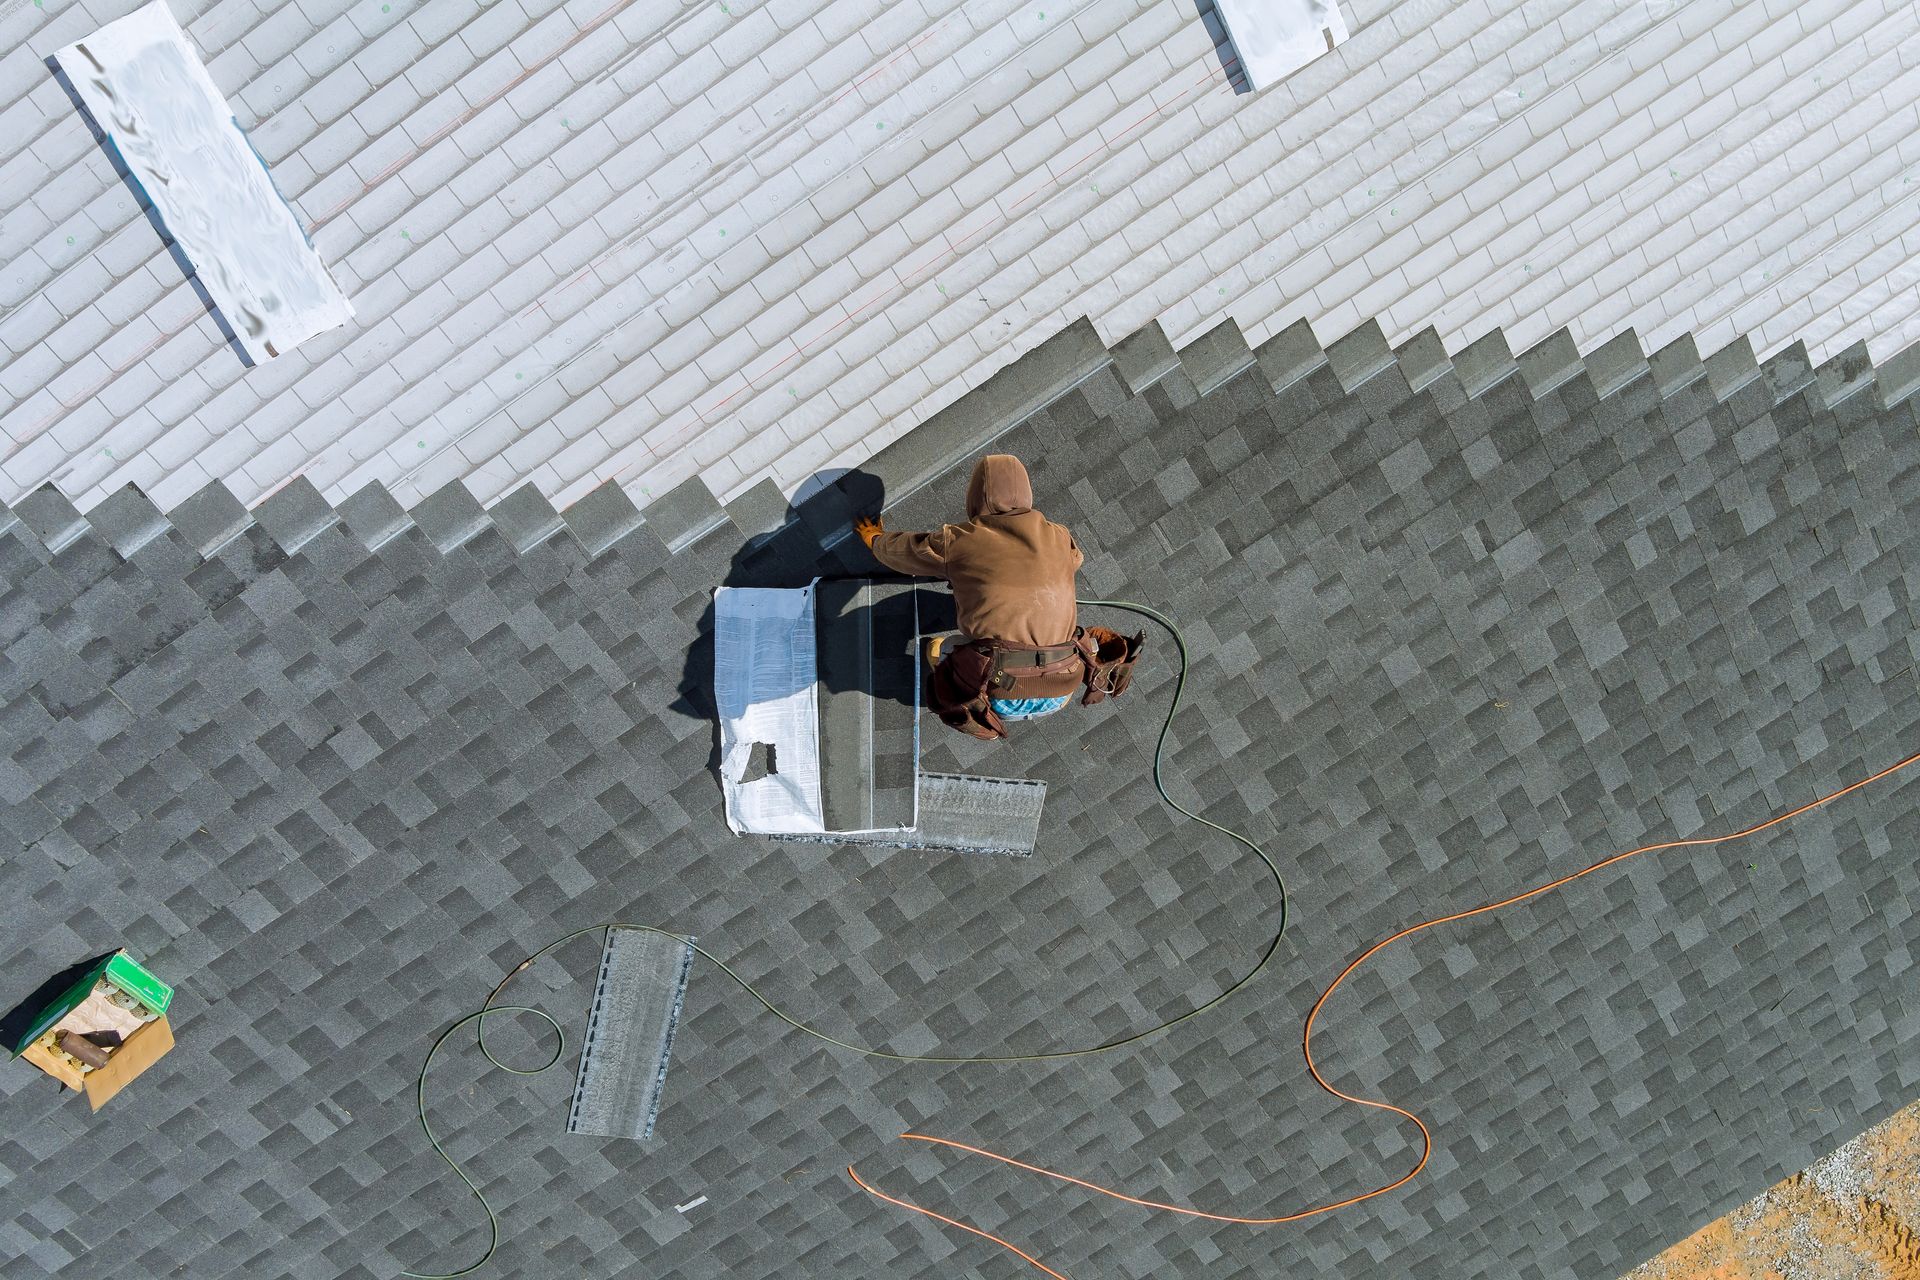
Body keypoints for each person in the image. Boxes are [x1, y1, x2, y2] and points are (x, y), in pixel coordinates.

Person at [854, 454, 1142, 740]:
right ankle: (991, 705)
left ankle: (980, 712)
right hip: (1062, 688)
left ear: (975, 497)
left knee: (940, 648)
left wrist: (876, 540)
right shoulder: (1058, 535)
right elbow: (1075, 560)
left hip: (1002, 693)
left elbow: (908, 553)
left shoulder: (959, 540)